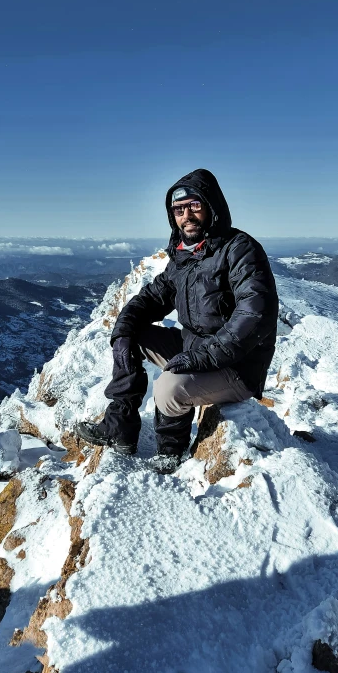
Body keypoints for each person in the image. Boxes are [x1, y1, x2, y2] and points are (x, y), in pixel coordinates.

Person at [75, 168, 279, 473]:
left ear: (212, 207)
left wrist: (203, 356)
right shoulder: (185, 256)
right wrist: (124, 328)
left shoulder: (240, 250)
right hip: (197, 348)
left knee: (167, 387)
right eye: (179, 210)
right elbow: (154, 296)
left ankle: (171, 452)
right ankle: (121, 427)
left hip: (238, 364)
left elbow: (254, 316)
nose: (187, 216)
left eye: (195, 206)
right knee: (133, 335)